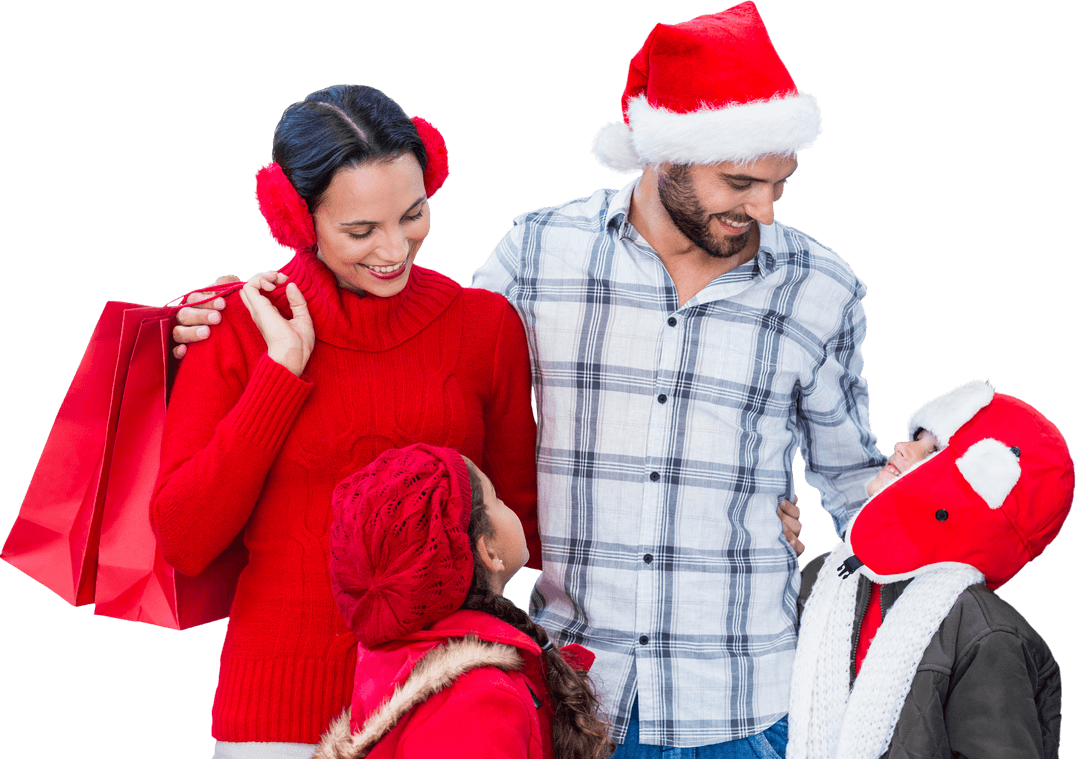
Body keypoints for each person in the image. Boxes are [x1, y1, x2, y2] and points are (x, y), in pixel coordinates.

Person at [174, 4, 864, 753]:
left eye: (779, 183)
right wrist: (242, 345)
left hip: (713, 702)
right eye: (739, 181)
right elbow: (190, 532)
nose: (764, 208)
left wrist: (762, 502)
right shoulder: (537, 254)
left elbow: (853, 487)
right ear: (665, 154)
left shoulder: (820, 286)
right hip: (514, 701)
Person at [149, 84, 542, 758]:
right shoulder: (235, 325)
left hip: (443, 710)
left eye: (413, 214)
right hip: (275, 720)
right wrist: (281, 373)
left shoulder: (485, 328)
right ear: (297, 219)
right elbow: (184, 538)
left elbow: (520, 523)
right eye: (360, 231)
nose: (394, 248)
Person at [789, 380, 1070, 758]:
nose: (902, 447)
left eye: (933, 449)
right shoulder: (828, 578)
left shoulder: (985, 634)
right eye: (915, 438)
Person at [311, 443, 613, 759]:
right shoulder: (479, 700)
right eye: (497, 499)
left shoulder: (400, 662)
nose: (508, 507)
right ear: (489, 552)